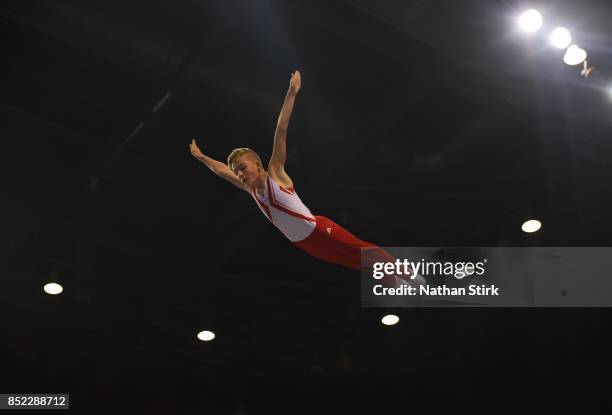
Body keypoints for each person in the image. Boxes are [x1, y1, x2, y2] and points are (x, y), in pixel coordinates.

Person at [189, 71, 420, 288]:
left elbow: (281, 129)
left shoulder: (275, 173)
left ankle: (408, 273)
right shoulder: (250, 190)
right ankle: (399, 284)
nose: (239, 174)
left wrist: (292, 92)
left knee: (362, 250)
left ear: (258, 165)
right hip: (305, 244)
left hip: (319, 228)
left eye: (242, 168)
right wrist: (202, 158)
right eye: (236, 171)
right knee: (349, 261)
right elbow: (222, 171)